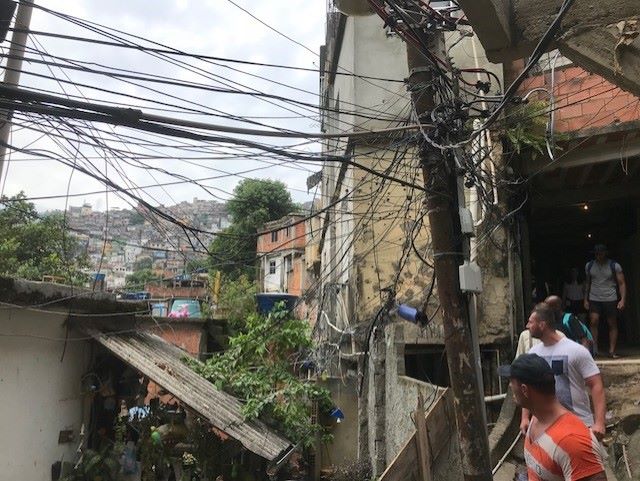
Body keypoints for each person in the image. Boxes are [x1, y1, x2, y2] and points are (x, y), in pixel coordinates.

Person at [499, 353, 608, 481]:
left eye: (512, 382)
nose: (510, 386)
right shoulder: (536, 419)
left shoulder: (572, 441)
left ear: (524, 390)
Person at [521, 303, 606, 440]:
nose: (527, 326)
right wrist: (525, 417)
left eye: (531, 322)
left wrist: (600, 423)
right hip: (546, 426)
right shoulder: (533, 353)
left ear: (542, 325)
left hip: (578, 423)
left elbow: (596, 385)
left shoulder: (576, 351)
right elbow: (527, 387)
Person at [584, 244, 626, 358]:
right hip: (594, 297)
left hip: (610, 297)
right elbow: (587, 283)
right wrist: (585, 299)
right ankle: (595, 349)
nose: (599, 256)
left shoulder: (614, 265)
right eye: (596, 254)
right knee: (593, 321)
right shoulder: (589, 265)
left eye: (601, 253)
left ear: (605, 253)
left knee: (612, 323)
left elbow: (621, 283)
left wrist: (622, 299)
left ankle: (612, 350)